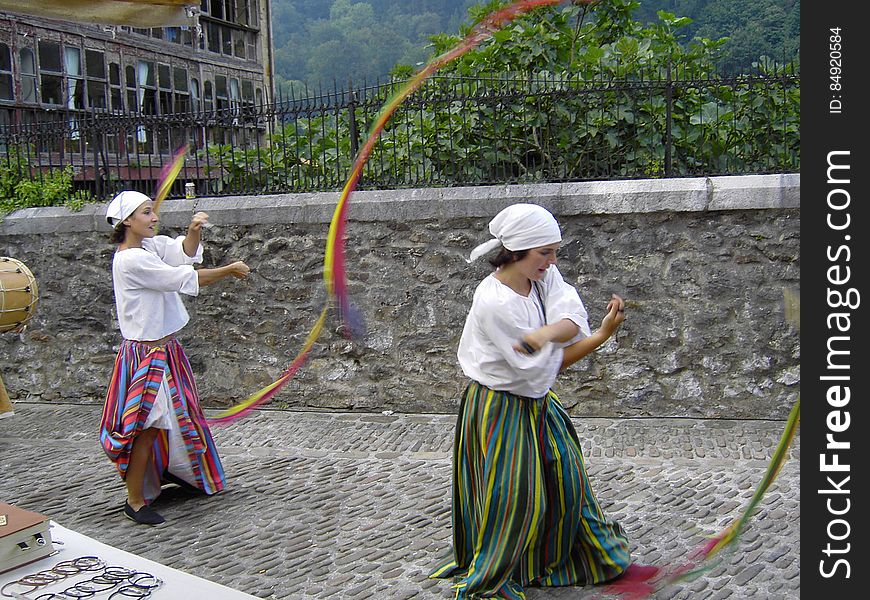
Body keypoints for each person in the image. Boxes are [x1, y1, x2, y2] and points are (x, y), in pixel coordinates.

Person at [430, 203, 630, 599]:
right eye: (545, 252)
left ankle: (586, 558)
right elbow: (549, 368)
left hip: (537, 401)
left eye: (554, 251)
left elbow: (571, 318)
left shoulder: (541, 274)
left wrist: (543, 335)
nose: (553, 261)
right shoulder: (495, 303)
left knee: (567, 479)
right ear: (517, 251)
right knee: (514, 496)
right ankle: (494, 577)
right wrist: (601, 336)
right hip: (499, 405)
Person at [99, 190, 250, 526]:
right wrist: (229, 270)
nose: (154, 218)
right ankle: (135, 501)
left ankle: (179, 474)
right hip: (146, 356)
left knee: (180, 417)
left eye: (152, 212)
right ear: (127, 221)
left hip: (165, 351)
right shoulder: (131, 260)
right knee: (148, 426)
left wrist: (194, 229)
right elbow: (183, 278)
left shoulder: (148, 247)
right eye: (146, 213)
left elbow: (183, 253)